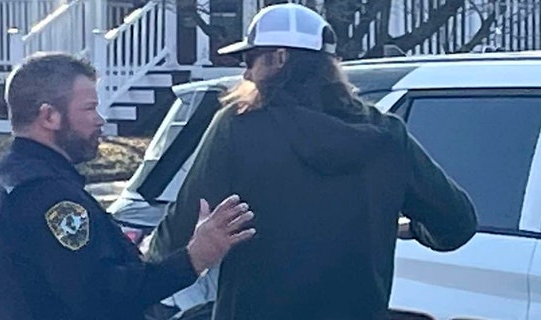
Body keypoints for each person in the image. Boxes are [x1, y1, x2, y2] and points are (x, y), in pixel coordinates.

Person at [146, 3, 477, 320]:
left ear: (279, 59)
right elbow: (457, 225)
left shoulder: (238, 127)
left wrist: (141, 276)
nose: (245, 73)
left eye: (250, 59)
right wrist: (406, 228)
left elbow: (181, 228)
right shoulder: (386, 134)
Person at [0, 52, 256, 320]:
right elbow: (104, 296)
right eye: (89, 108)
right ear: (49, 116)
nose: (100, 119)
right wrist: (194, 258)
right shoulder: (51, 198)